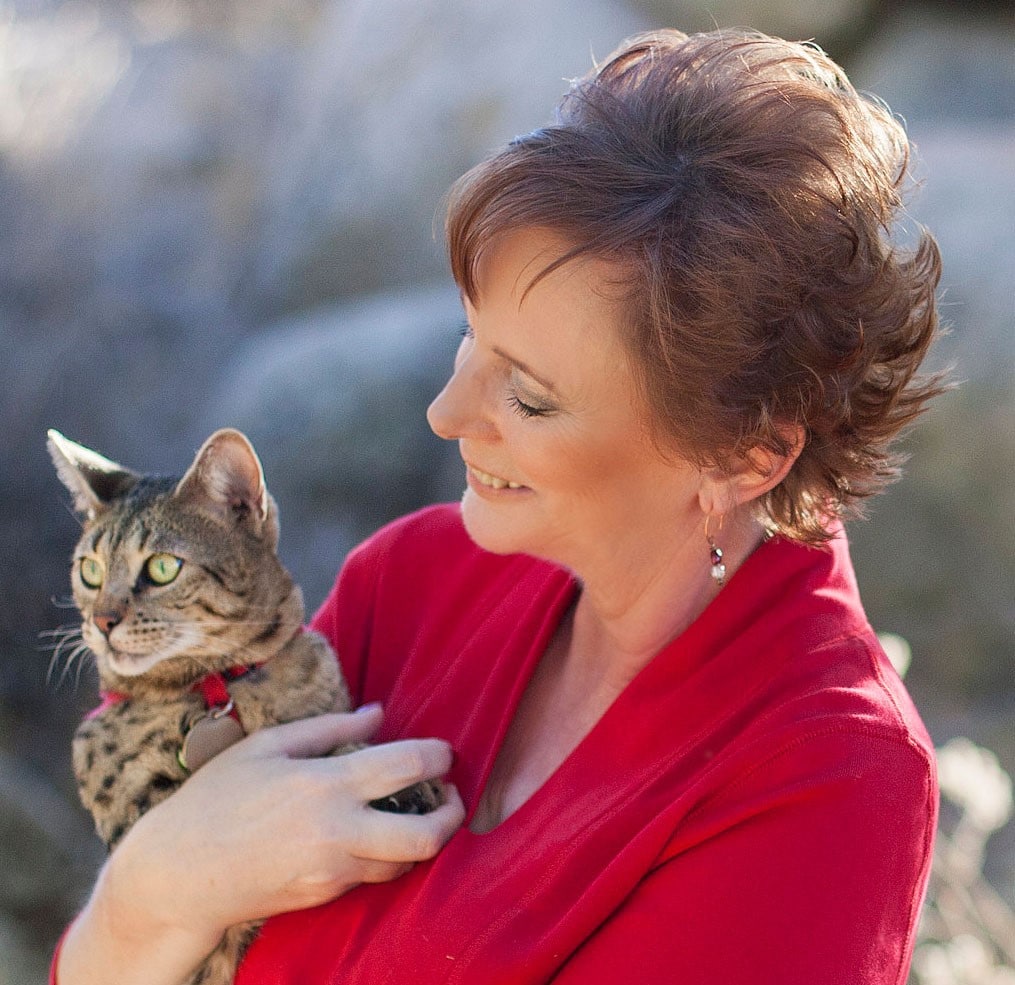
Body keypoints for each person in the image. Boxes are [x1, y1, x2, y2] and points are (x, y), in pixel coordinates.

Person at [54, 27, 945, 985]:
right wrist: (157, 891)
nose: (445, 414)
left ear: (744, 454)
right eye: (467, 341)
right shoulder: (412, 578)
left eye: (527, 394)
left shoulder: (830, 778)